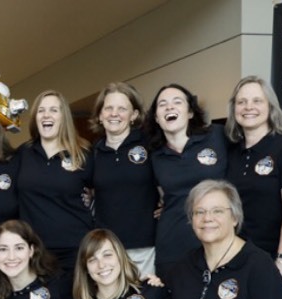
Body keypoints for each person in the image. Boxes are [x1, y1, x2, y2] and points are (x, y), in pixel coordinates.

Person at [224, 75, 282, 294]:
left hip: (276, 254)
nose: (248, 107)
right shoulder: (231, 151)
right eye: (242, 102)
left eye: (257, 101)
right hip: (238, 255)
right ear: (234, 108)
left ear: (270, 106)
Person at [144, 83, 227, 273]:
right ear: (156, 117)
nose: (169, 107)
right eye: (162, 104)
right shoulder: (155, 154)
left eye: (177, 102)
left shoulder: (217, 135)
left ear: (190, 112)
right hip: (172, 245)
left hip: (217, 242)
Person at [12, 89, 93, 272]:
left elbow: (105, 187)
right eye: (41, 110)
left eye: (53, 110)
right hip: (33, 251)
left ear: (64, 117)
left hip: (75, 250)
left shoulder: (83, 154)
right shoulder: (23, 153)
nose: (46, 115)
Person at [89, 82, 158, 276]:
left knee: (143, 294)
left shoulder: (150, 144)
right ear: (100, 115)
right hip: (106, 248)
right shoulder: (93, 152)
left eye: (122, 109)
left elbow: (168, 179)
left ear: (134, 115)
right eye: (108, 108)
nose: (114, 114)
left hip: (144, 246)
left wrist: (168, 205)